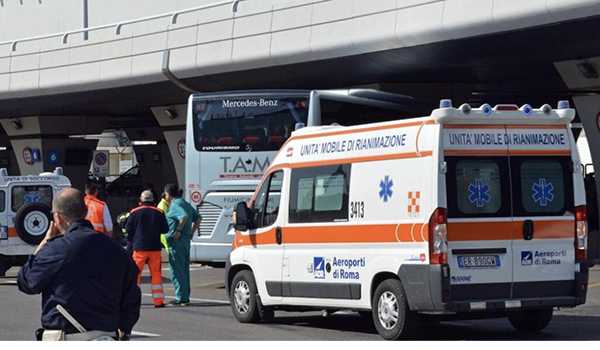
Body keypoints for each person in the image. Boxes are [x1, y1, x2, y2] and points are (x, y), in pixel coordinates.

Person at [17, 188, 140, 340]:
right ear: (85, 211)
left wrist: (44, 242)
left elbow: (27, 282)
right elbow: (132, 296)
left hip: (68, 336)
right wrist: (124, 330)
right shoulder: (116, 249)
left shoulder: (57, 249)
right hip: (107, 336)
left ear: (58, 217)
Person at [125, 190, 169, 308]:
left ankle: (134, 301)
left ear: (141, 201)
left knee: (136, 275)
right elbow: (165, 229)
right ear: (153, 200)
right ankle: (158, 301)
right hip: (155, 248)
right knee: (156, 275)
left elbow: (128, 229)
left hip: (139, 248)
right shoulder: (159, 212)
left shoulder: (134, 212)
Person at [163, 184, 200, 306]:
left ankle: (181, 297)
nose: (165, 197)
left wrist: (178, 230)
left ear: (169, 194)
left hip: (176, 242)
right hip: (185, 241)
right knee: (184, 270)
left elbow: (183, 216)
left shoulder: (175, 205)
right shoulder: (185, 203)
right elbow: (198, 218)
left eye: (166, 194)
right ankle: (185, 296)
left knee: (177, 271)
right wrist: (191, 232)